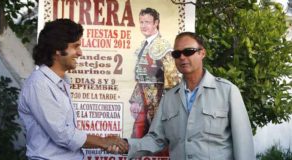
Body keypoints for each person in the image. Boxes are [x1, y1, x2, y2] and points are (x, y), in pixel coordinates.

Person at [124, 32, 256, 159]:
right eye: (177, 53)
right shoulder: (169, 99)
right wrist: (124, 145)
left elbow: (244, 145)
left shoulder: (227, 92)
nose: (182, 57)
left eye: (188, 51)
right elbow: (156, 140)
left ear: (202, 53)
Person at [18, 19, 128, 160]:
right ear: (58, 49)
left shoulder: (60, 82)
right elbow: (63, 135)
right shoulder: (38, 85)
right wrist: (104, 142)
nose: (80, 53)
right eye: (75, 47)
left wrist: (105, 142)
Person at [129, 7, 181, 139]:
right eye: (141, 22)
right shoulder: (144, 45)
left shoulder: (162, 46)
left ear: (156, 23)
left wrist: (166, 107)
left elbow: (173, 80)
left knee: (158, 139)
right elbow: (142, 76)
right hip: (144, 101)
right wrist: (136, 100)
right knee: (139, 137)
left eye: (147, 22)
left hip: (158, 103)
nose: (143, 26)